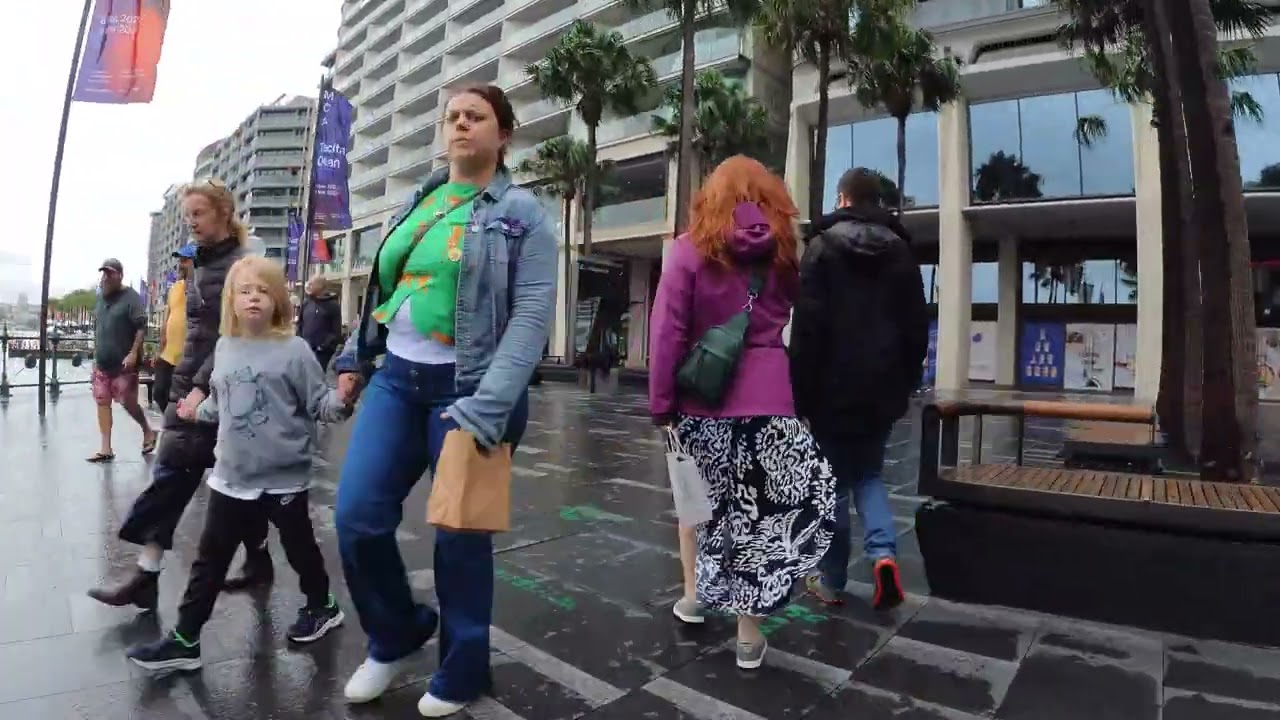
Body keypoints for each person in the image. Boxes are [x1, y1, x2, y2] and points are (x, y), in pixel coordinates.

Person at [333, 84, 556, 717]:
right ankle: (397, 631)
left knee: (460, 536)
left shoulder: (522, 212)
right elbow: (390, 283)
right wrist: (356, 358)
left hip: (470, 389)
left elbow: (533, 314)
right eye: (453, 117)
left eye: (475, 117)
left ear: (502, 133)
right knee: (356, 515)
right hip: (397, 380)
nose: (460, 126)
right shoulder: (421, 199)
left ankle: (462, 670)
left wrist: (490, 404)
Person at [648, 155, 835, 670]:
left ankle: (694, 595)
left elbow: (667, 332)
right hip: (772, 398)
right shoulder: (783, 255)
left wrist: (662, 404)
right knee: (758, 516)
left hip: (702, 399)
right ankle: (748, 635)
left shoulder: (689, 251)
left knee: (698, 502)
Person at [126, 256, 352, 671]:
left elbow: (321, 405)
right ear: (231, 300)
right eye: (245, 291)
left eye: (263, 291)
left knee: (301, 549)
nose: (253, 298)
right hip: (230, 476)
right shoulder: (225, 348)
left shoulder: (295, 351)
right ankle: (185, 639)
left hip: (283, 479)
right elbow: (223, 403)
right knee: (209, 558)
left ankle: (323, 604)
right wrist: (199, 412)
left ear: (278, 301)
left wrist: (343, 397)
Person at [87, 181, 273, 610]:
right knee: (175, 473)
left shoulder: (243, 267)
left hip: (225, 391)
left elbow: (236, 335)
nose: (190, 222)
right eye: (187, 214)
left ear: (224, 214)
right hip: (190, 387)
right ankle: (147, 573)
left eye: (198, 214)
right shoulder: (200, 266)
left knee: (240, 485)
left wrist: (202, 387)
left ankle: (297, 580)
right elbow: (194, 333)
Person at [789, 167, 929, 611]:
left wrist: (801, 394)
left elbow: (806, 330)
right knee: (869, 476)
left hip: (830, 390)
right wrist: (905, 383)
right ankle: (884, 556)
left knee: (832, 485)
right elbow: (916, 330)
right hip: (881, 390)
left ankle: (832, 581)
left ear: (844, 199)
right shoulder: (902, 252)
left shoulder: (820, 249)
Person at [88, 258, 158, 462]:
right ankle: (105, 448)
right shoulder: (101, 297)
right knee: (102, 402)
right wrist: (95, 353)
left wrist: (134, 352)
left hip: (124, 365)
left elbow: (141, 326)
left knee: (128, 402)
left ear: (120, 275)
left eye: (110, 273)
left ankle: (147, 430)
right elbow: (99, 327)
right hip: (102, 363)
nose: (106, 277)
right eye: (104, 273)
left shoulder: (131, 297)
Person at [153, 244, 197, 413]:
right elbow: (168, 317)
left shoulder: (199, 288)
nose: (181, 264)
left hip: (187, 356)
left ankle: (178, 425)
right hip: (168, 354)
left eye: (185, 260)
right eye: (181, 260)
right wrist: (160, 347)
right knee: (159, 392)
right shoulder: (175, 287)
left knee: (180, 396)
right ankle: (171, 418)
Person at [297, 275, 343, 372]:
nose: (309, 286)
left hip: (321, 353)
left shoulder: (333, 306)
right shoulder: (306, 303)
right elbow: (300, 324)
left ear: (320, 286)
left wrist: (322, 346)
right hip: (304, 349)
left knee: (316, 376)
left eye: (312, 283)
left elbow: (336, 331)